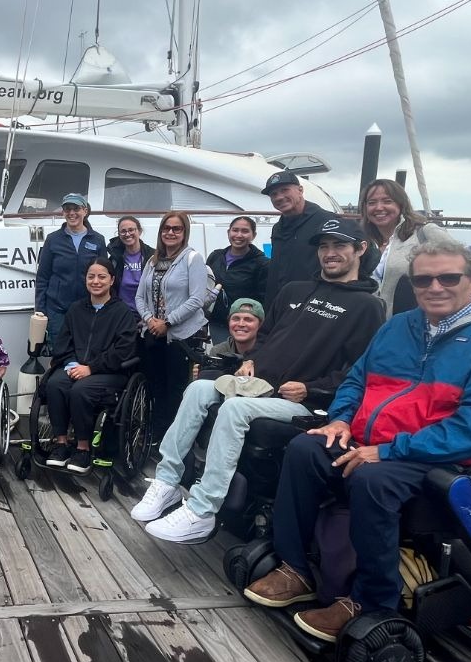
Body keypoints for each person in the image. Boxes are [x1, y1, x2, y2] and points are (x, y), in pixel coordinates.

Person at [244, 237, 471, 643]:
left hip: (450, 460)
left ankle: (372, 600)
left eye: (448, 277)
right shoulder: (399, 326)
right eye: (423, 280)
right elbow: (356, 379)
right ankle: (296, 568)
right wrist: (340, 420)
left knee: (375, 479)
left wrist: (390, 450)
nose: (434, 287)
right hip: (377, 445)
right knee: (305, 449)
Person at [134, 219, 385, 543]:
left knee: (234, 410)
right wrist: (251, 359)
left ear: (360, 249)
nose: (330, 253)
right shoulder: (294, 290)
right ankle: (167, 481)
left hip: (301, 402)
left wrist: (312, 388)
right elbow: (265, 337)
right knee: (197, 389)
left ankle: (202, 509)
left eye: (339, 246)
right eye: (324, 246)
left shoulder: (368, 307)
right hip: (257, 384)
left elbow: (358, 371)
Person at [42, 257, 141, 473]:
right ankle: (61, 443)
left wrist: (91, 368)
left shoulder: (122, 312)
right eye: (91, 276)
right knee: (55, 383)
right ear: (85, 280)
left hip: (110, 372)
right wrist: (70, 363)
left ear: (112, 280)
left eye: (102, 276)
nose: (96, 281)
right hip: (75, 367)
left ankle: (83, 449)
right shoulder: (76, 309)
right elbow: (63, 342)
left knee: (80, 390)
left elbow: (123, 350)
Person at [135, 211, 209, 442]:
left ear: (185, 232)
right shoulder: (152, 260)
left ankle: (174, 438)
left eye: (176, 228)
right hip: (154, 333)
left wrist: (168, 322)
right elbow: (139, 297)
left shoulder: (192, 258)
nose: (170, 232)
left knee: (175, 389)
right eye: (166, 228)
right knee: (156, 385)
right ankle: (156, 434)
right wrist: (150, 320)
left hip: (181, 336)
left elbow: (197, 299)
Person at [359, 177, 471, 315]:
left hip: (417, 324)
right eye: (372, 202)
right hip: (373, 323)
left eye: (387, 201)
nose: (379, 207)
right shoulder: (363, 242)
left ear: (401, 205)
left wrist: (462, 308)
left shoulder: (425, 232)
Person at [35, 193, 109, 352]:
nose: (71, 213)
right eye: (67, 209)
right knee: (60, 353)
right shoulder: (53, 239)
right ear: (63, 212)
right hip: (57, 310)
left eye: (76, 208)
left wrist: (105, 308)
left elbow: (105, 276)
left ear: (85, 211)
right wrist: (40, 310)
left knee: (86, 353)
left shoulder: (97, 240)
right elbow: (42, 278)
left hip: (88, 309)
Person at [261, 169, 333, 308]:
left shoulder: (326, 221)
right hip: (279, 306)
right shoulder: (278, 228)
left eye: (285, 190)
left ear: (300, 190)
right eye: (273, 194)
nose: (279, 197)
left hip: (312, 307)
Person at [205, 216, 267, 341]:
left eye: (245, 231)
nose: (239, 235)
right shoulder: (215, 256)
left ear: (253, 235)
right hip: (218, 324)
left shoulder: (262, 264)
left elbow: (264, 299)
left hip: (244, 326)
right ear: (228, 232)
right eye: (235, 230)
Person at [106, 215, 154, 315]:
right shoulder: (115, 259)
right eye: (123, 231)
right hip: (122, 315)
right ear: (119, 234)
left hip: (148, 315)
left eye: (131, 230)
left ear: (139, 231)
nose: (127, 234)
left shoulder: (152, 256)